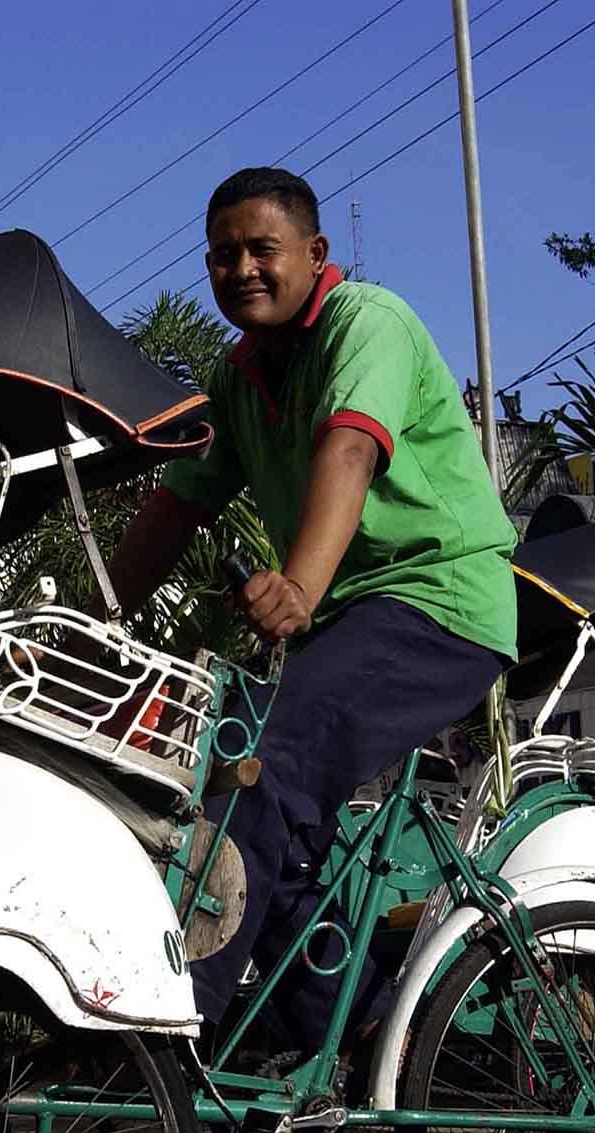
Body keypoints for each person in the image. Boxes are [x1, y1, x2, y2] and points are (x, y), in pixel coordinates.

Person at [106, 166, 518, 1053]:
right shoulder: (237, 372)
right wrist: (98, 613)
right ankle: (354, 1028)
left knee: (267, 762)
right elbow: (178, 504)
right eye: (222, 256)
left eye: (263, 249)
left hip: (435, 600)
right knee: (242, 793)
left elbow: (350, 448)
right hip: (347, 620)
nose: (242, 269)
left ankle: (171, 1024)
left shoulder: (364, 321)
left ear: (315, 254)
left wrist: (297, 586)